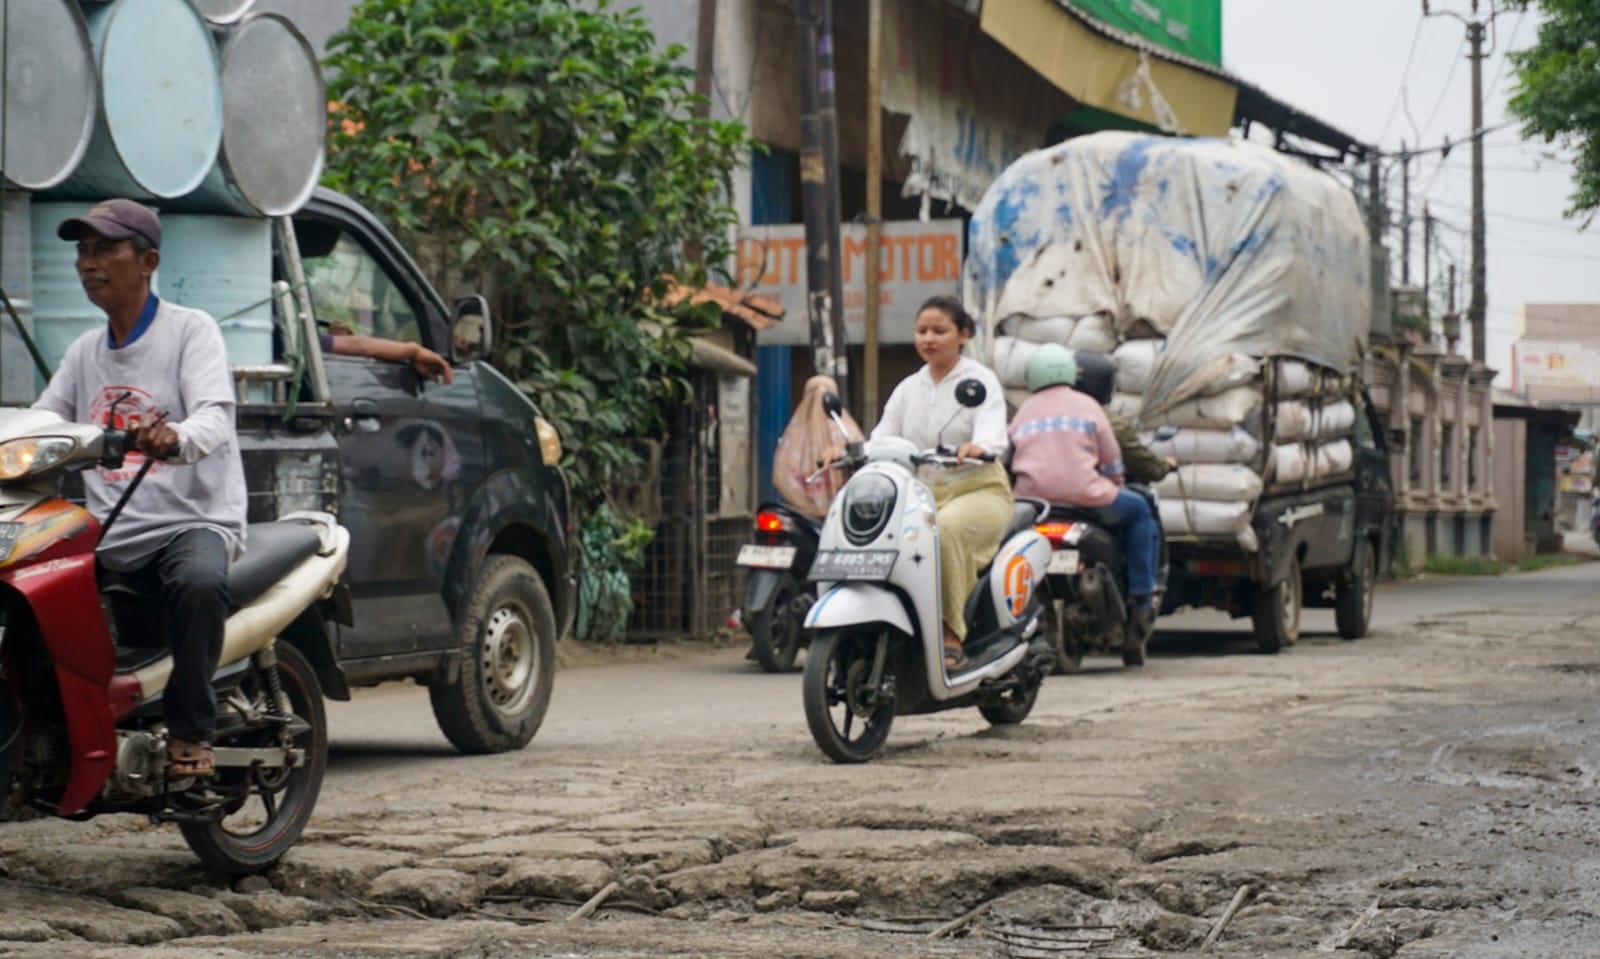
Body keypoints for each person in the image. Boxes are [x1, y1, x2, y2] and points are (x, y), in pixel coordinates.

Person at [33, 199, 246, 778]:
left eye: (105, 249)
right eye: (82, 251)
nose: (88, 263)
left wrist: (175, 437)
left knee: (199, 582)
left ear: (148, 261)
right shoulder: (84, 351)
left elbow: (214, 418)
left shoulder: (190, 331)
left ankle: (190, 733)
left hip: (190, 522)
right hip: (111, 530)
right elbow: (44, 422)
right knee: (31, 587)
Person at [830, 295, 1013, 671]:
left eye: (939, 331)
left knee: (944, 533)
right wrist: (848, 452)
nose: (929, 338)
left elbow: (992, 434)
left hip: (977, 488)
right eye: (922, 331)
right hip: (919, 493)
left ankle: (950, 633)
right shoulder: (908, 388)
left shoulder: (981, 382)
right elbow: (883, 438)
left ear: (963, 334)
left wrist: (978, 447)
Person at [1008, 343, 1161, 642]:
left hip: (1034, 503)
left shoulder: (1023, 411)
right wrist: (1115, 481)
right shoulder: (1088, 406)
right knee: (1140, 511)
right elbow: (1111, 457)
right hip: (1087, 498)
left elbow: (1009, 454)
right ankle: (1142, 593)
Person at [320, 328, 453, 385]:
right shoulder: (309, 340)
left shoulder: (310, 340)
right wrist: (414, 351)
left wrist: (414, 351)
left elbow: (358, 345)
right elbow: (359, 346)